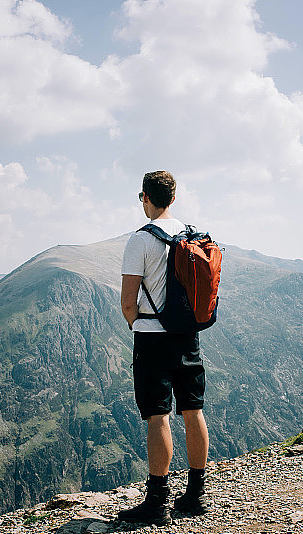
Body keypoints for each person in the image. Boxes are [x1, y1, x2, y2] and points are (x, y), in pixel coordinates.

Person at [118, 170, 210, 526]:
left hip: (152, 337)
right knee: (193, 409)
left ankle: (157, 502)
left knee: (158, 415)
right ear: (173, 198)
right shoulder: (191, 235)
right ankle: (196, 495)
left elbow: (129, 301)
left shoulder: (140, 241)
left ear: (145, 197)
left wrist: (136, 324)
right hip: (188, 335)